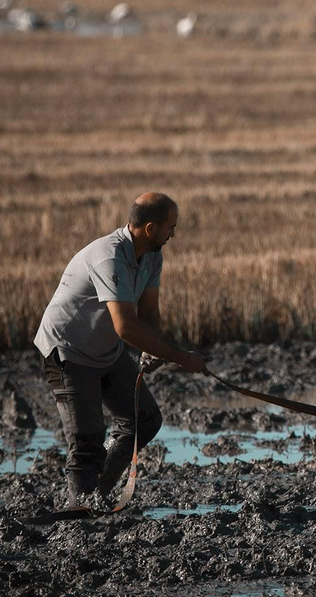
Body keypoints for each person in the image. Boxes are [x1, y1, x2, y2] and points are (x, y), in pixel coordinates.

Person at [33, 191, 207, 507]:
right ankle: (79, 515)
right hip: (68, 351)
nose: (174, 234)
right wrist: (181, 357)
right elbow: (125, 327)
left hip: (105, 351)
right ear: (151, 229)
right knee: (87, 441)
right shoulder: (109, 257)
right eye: (171, 227)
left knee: (145, 420)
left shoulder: (152, 254)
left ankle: (95, 495)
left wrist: (153, 348)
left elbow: (149, 311)